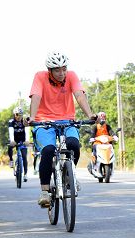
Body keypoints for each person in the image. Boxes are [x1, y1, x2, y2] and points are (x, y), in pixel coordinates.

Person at [27, 51, 96, 207]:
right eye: (57, 70)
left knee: (73, 144)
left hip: (67, 120)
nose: (61, 73)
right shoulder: (40, 76)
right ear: (49, 70)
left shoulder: (71, 76)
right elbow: (36, 96)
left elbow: (79, 95)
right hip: (43, 121)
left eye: (64, 69)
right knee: (48, 150)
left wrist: (90, 114)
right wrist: (32, 117)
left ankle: (69, 175)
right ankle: (45, 192)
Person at [8, 106, 30, 182]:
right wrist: (12, 140)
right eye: (17, 114)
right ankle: (11, 160)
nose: (19, 116)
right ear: (14, 114)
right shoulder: (11, 122)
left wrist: (27, 140)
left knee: (24, 156)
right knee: (10, 147)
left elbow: (27, 130)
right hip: (14, 139)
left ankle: (25, 174)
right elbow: (11, 131)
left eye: (20, 114)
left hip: (23, 140)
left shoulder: (24, 121)